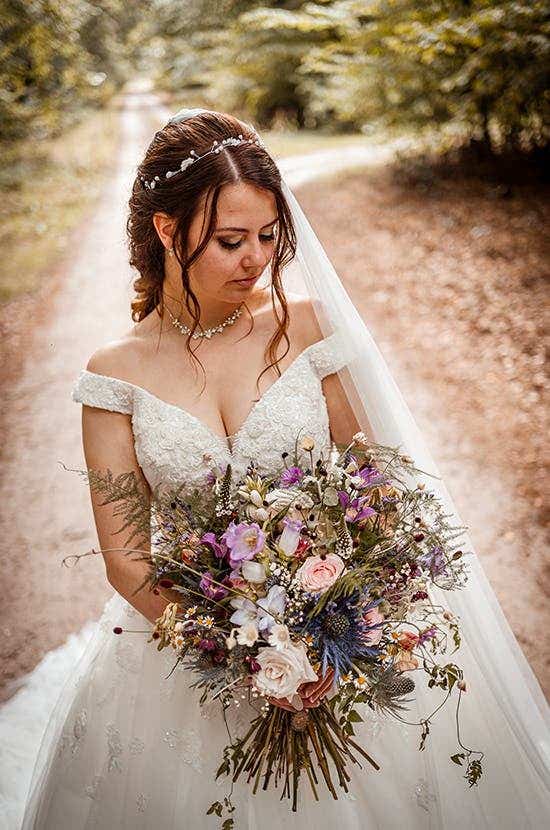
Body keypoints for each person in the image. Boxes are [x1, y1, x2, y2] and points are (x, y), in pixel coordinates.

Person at [20, 109, 550, 829]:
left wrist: (344, 620)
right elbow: (126, 562)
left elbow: (377, 483)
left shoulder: (308, 329)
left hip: (336, 641)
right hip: (184, 653)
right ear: (168, 232)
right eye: (231, 240)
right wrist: (253, 657)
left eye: (269, 236)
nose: (257, 259)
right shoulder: (114, 375)